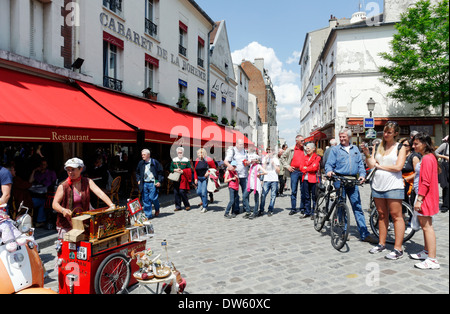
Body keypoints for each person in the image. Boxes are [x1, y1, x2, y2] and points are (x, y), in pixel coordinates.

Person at [362, 121, 408, 259]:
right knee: (381, 215)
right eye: (385, 131)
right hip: (378, 184)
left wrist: (380, 167)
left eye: (389, 132)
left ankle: (398, 248)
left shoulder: (400, 147)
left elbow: (398, 167)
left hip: (393, 185)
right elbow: (371, 165)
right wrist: (367, 154)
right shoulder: (379, 146)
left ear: (395, 133)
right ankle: (381, 243)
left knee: (396, 216)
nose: (386, 134)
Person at [326, 128, 377, 244]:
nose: (342, 138)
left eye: (344, 136)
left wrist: (363, 175)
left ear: (349, 137)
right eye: (340, 136)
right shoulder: (335, 149)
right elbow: (329, 164)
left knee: (357, 206)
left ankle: (364, 233)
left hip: (353, 181)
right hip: (339, 179)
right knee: (341, 206)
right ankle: (343, 231)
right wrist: (329, 171)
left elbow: (360, 165)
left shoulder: (355, 150)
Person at [52, 158, 115, 239]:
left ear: (80, 169)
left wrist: (111, 205)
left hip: (83, 222)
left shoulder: (87, 182)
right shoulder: (63, 186)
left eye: (73, 169)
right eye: (68, 170)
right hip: (67, 224)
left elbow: (100, 193)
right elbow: (54, 204)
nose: (70, 172)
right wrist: (63, 210)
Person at [410, 132, 441, 269]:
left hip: (426, 197)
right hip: (428, 196)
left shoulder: (427, 158)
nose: (413, 146)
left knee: (427, 227)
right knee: (425, 226)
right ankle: (427, 252)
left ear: (424, 144)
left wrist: (419, 199)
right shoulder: (430, 157)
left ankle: (432, 259)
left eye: (416, 143)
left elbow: (426, 181)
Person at [280, 135, 307, 216]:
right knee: (294, 191)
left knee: (303, 191)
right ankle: (293, 208)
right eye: (302, 141)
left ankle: (302, 208)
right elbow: (282, 157)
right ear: (297, 141)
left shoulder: (305, 149)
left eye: (303, 140)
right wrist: (287, 166)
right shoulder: (291, 149)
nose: (303, 142)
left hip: (303, 172)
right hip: (294, 171)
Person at [136, 149, 164, 219]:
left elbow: (160, 172)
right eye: (142, 155)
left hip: (153, 183)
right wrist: (138, 179)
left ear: (148, 155)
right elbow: (137, 172)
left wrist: (159, 181)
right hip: (144, 183)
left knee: (153, 198)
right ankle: (148, 215)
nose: (142, 156)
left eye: (144, 155)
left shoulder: (155, 162)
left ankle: (157, 209)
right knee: (145, 199)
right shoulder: (141, 163)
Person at [29, 159, 57, 228]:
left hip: (48, 194)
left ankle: (41, 220)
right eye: (41, 165)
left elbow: (55, 183)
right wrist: (34, 171)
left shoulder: (51, 173)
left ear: (46, 165)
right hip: (36, 194)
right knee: (42, 202)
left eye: (44, 165)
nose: (42, 166)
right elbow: (30, 181)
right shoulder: (37, 173)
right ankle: (40, 220)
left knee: (44, 202)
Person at [224, 139, 250, 213]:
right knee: (235, 194)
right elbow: (225, 161)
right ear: (236, 144)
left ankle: (246, 207)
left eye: (243, 144)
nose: (242, 146)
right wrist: (229, 165)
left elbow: (247, 160)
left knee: (246, 192)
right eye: (240, 144)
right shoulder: (232, 151)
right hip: (235, 176)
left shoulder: (244, 151)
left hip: (244, 175)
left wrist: (247, 162)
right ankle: (236, 209)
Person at [300, 143, 321, 219]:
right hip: (305, 178)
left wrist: (306, 168)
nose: (307, 150)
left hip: (313, 179)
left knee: (314, 196)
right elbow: (301, 167)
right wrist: (307, 168)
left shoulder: (317, 157)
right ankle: (307, 211)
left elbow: (314, 168)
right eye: (306, 148)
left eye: (308, 148)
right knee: (306, 196)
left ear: (313, 149)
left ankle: (314, 212)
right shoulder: (304, 157)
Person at [242, 154, 267, 219]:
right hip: (250, 184)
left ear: (256, 160)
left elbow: (265, 172)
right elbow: (249, 171)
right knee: (244, 196)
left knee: (256, 199)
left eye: (253, 159)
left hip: (256, 184)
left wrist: (259, 174)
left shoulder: (258, 166)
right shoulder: (251, 166)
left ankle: (255, 213)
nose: (252, 160)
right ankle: (248, 211)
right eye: (252, 160)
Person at [399, 137, 421, 207]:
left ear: (410, 146)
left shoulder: (414, 157)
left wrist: (406, 179)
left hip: (410, 182)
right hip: (400, 180)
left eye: (406, 145)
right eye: (403, 145)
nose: (404, 147)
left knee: (409, 202)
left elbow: (417, 172)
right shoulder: (400, 156)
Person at [193, 148, 216, 213]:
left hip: (205, 179)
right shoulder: (197, 160)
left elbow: (214, 168)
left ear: (203, 153)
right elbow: (195, 170)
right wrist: (195, 178)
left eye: (199, 153)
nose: (198, 155)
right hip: (199, 178)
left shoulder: (208, 160)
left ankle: (204, 206)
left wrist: (208, 172)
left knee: (203, 192)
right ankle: (205, 201)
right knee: (198, 192)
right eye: (197, 154)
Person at [259, 148, 281, 217]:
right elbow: (263, 169)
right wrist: (265, 162)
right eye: (267, 151)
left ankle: (270, 209)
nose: (269, 153)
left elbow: (278, 170)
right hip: (266, 179)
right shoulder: (264, 159)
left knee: (273, 196)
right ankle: (261, 210)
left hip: (274, 180)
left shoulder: (276, 159)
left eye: (270, 152)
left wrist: (273, 164)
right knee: (263, 195)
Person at [170, 147, 192, 212]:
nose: (180, 153)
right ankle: (178, 206)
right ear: (177, 153)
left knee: (182, 192)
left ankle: (187, 205)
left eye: (181, 152)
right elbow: (170, 168)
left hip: (183, 179)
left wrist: (183, 171)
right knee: (176, 192)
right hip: (176, 178)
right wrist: (175, 170)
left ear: (183, 153)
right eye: (179, 152)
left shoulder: (186, 160)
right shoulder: (174, 160)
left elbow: (189, 169)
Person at [435, 136, 449, 213]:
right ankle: (445, 205)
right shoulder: (445, 145)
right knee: (446, 186)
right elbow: (435, 153)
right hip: (446, 167)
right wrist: (445, 157)